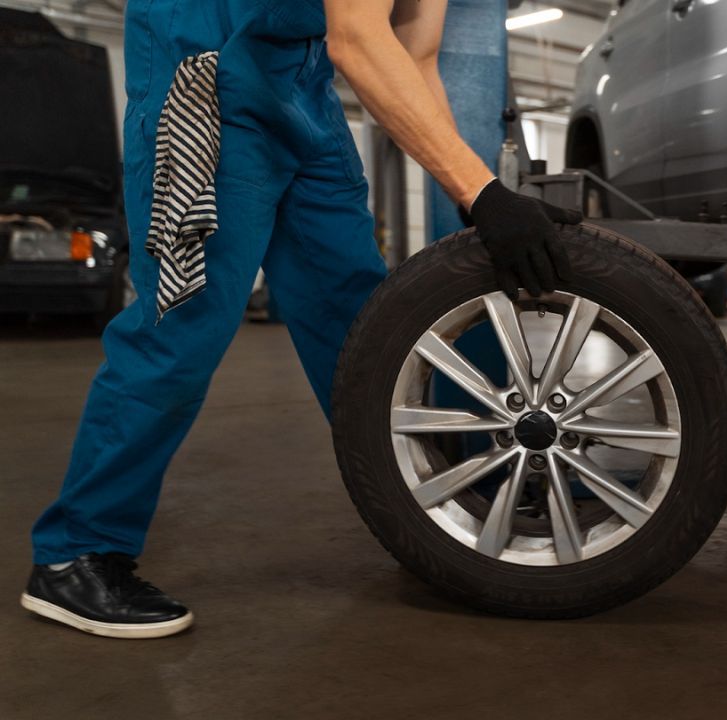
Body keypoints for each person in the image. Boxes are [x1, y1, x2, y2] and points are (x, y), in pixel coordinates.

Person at [21, 0, 581, 639]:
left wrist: (468, 191)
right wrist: (483, 192)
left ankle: (432, 516)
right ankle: (77, 552)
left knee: (362, 326)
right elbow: (356, 38)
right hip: (206, 77)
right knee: (180, 327)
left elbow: (416, 56)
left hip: (302, 95)